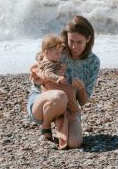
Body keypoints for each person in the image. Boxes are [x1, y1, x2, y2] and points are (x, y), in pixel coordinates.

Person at [27, 15, 101, 149]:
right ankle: (46, 126)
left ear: (88, 39)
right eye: (71, 40)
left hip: (69, 106)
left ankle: (62, 124)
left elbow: (83, 101)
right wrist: (47, 75)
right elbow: (39, 63)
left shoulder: (93, 62)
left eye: (79, 42)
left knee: (74, 143)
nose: (74, 46)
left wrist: (82, 89)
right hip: (43, 101)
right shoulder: (58, 49)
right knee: (59, 96)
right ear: (66, 37)